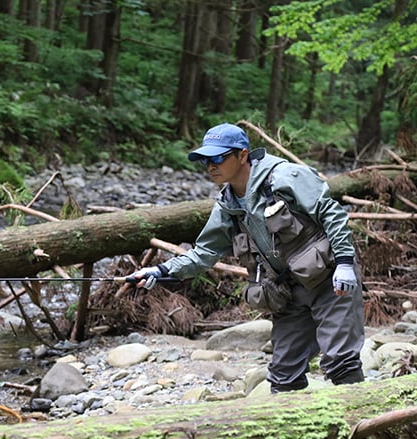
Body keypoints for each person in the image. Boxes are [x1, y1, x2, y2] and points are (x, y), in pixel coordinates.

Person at [130, 123, 365, 393]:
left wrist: (346, 263)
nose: (210, 166)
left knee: (340, 363)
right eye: (206, 160)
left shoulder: (285, 176)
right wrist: (159, 271)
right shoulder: (227, 204)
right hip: (288, 292)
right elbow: (204, 253)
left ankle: (366, 428)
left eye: (218, 158)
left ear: (242, 155)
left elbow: (330, 213)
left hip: (330, 281)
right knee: (283, 377)